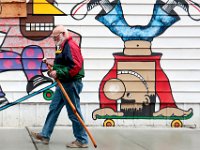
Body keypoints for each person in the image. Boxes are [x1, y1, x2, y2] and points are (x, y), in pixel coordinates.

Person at [71, 0, 199, 117]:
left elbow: (108, 83)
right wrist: (169, 105)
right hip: (138, 45)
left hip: (133, 44)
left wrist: (107, 106)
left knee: (126, 25)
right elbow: (162, 85)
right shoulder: (153, 69)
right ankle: (171, 4)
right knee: (125, 25)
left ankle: (171, 4)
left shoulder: (125, 64)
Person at [30, 25, 88, 148]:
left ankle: (82, 140)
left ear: (63, 34)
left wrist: (59, 73)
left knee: (74, 111)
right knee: (54, 107)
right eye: (53, 38)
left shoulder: (71, 46)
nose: (55, 40)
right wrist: (53, 70)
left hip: (71, 83)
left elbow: (76, 66)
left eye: (56, 37)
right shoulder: (61, 46)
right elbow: (62, 64)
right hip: (63, 82)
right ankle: (45, 135)